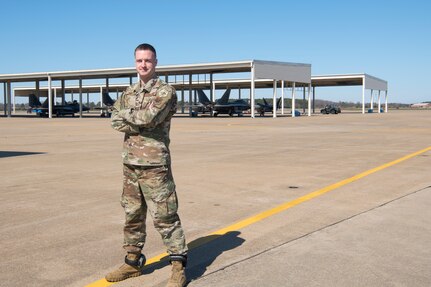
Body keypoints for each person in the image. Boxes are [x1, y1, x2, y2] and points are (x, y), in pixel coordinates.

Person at [106, 43, 187, 287]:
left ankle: (178, 265)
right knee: (132, 213)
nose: (143, 65)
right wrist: (133, 118)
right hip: (130, 163)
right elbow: (114, 121)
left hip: (155, 164)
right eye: (140, 60)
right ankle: (132, 262)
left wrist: (127, 114)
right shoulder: (128, 91)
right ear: (135, 62)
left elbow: (148, 117)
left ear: (156, 63)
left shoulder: (165, 91)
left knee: (164, 215)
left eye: (148, 61)